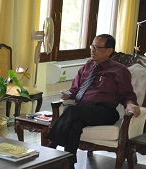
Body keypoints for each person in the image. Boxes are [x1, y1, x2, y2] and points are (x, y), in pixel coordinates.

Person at [46, 34, 140, 169]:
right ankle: (69, 164)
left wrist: (130, 104)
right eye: (92, 46)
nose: (92, 50)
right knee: (75, 125)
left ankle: (51, 146)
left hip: (105, 111)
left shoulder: (119, 70)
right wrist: (69, 94)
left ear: (109, 50)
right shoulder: (86, 67)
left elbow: (127, 94)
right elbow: (75, 89)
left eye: (97, 47)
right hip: (83, 109)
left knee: (71, 110)